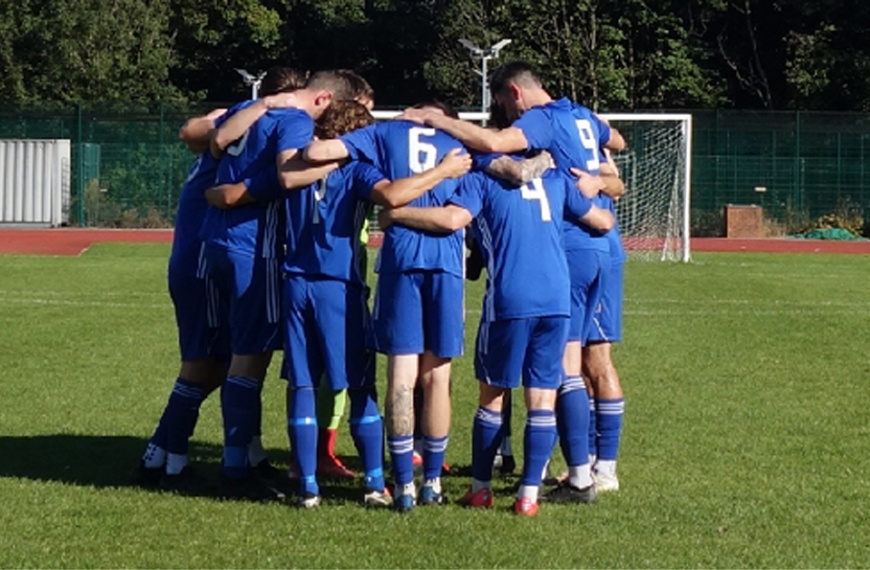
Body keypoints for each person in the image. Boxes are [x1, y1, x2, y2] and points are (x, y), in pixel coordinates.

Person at [399, 61, 626, 503]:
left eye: (502, 104)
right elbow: (612, 159)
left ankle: (495, 483)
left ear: (514, 95)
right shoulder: (576, 124)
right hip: (587, 261)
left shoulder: (501, 159)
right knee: (569, 372)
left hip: (538, 274)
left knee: (505, 386)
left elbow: (466, 194)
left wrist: (400, 207)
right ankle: (559, 481)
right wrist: (598, 180)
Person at [378, 163, 614, 516]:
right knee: (542, 397)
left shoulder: (482, 180)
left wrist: (398, 213)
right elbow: (603, 221)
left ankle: (481, 489)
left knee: (493, 396)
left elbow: (452, 220)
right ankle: (528, 496)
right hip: (557, 298)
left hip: (510, 299)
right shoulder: (554, 178)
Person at [275, 100, 471, 507]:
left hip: (294, 280)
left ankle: (308, 485)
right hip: (338, 284)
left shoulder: (293, 167)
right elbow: (393, 196)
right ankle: (376, 482)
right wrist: (440, 172)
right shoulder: (360, 168)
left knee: (304, 383)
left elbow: (291, 173)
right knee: (362, 384)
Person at [202, 68, 355, 502]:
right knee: (249, 362)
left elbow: (214, 141)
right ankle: (235, 470)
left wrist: (230, 191)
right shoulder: (297, 122)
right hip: (255, 248)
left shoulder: (251, 109)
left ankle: (247, 456)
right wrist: (350, 157)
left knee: (238, 356)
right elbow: (288, 175)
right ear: (323, 99)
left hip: (217, 242)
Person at [129, 107, 232, 494]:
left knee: (220, 364)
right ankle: (171, 464)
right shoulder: (224, 149)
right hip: (201, 266)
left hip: (195, 264)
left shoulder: (212, 152)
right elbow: (191, 131)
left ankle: (158, 452)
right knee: (202, 365)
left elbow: (190, 131)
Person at [584, 148, 627, 492]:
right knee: (578, 365)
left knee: (598, 359)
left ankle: (607, 467)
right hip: (577, 254)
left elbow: (616, 183)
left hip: (597, 253)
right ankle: (585, 462)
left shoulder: (577, 131)